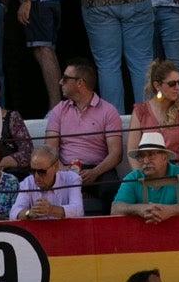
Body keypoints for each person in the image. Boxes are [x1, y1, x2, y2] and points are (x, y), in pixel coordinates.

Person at [45, 57, 124, 214]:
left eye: (66, 78)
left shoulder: (108, 111)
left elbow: (116, 154)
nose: (61, 82)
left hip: (98, 169)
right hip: (64, 167)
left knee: (112, 188)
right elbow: (49, 149)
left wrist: (95, 172)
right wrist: (65, 170)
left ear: (80, 83)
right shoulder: (59, 110)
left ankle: (109, 232)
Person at [110, 130, 179, 221]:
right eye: (141, 156)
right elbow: (115, 209)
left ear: (165, 158)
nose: (145, 161)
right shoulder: (133, 177)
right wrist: (139, 209)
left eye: (151, 155)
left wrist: (170, 210)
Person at [126, 56, 179, 173]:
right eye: (172, 84)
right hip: (149, 169)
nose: (178, 88)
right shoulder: (141, 111)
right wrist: (140, 178)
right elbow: (132, 149)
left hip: (178, 167)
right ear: (157, 85)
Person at [8, 145, 83, 222]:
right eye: (33, 171)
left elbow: (78, 210)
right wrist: (29, 213)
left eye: (42, 172)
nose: (36, 176)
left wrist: (51, 210)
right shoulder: (27, 182)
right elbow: (13, 212)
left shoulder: (71, 179)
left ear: (56, 167)